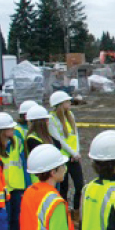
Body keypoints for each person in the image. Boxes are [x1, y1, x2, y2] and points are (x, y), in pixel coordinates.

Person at [0, 112, 26, 230]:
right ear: (2, 131)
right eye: (9, 128)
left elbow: (21, 162)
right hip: (4, 188)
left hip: (16, 185)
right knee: (5, 218)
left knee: (16, 217)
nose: (13, 130)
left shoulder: (16, 142)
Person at [48, 90, 84, 222]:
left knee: (79, 185)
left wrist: (77, 152)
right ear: (60, 104)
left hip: (74, 157)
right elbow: (59, 140)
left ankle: (75, 213)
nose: (70, 103)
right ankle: (63, 215)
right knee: (64, 188)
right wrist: (73, 153)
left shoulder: (70, 115)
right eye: (67, 101)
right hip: (62, 158)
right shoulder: (51, 119)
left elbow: (75, 135)